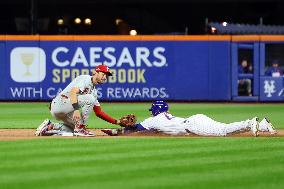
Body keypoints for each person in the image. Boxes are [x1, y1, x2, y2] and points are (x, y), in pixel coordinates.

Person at [35, 65, 123, 137]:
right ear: (95, 73)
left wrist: (117, 122)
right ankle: (81, 128)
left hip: (64, 110)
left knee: (73, 129)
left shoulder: (94, 91)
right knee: (89, 99)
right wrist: (76, 110)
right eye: (103, 74)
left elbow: (98, 112)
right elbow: (73, 93)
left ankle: (50, 126)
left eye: (106, 75)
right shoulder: (86, 79)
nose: (105, 77)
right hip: (60, 103)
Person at [102, 101, 277, 137]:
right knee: (224, 127)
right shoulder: (161, 118)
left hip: (193, 124)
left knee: (223, 131)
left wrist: (112, 131)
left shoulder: (152, 120)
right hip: (195, 119)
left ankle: (250, 122)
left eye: (152, 110)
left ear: (155, 110)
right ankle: (262, 125)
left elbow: (132, 129)